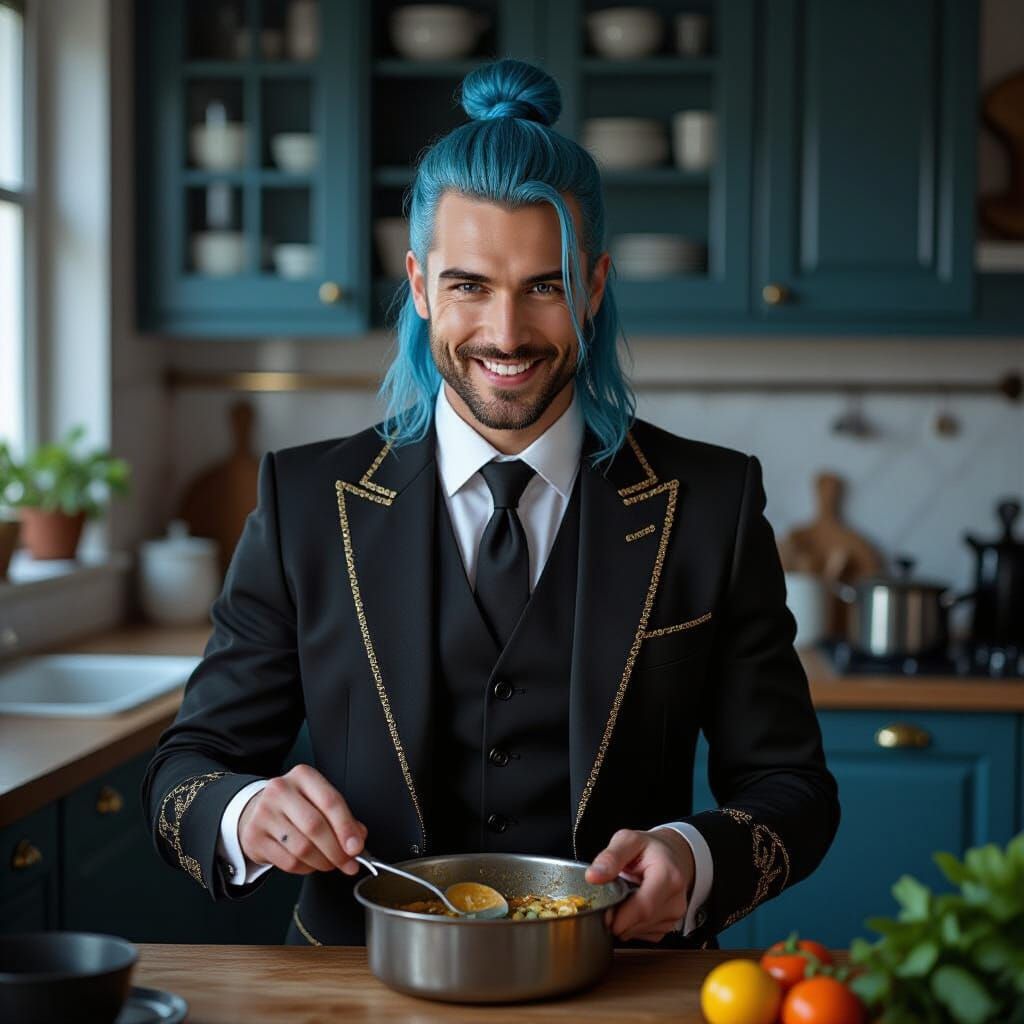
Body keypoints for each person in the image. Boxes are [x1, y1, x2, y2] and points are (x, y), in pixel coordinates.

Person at [142, 58, 839, 949]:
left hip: (620, 975)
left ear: (593, 287)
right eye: (469, 285)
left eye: (545, 286)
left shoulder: (711, 503)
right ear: (419, 285)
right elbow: (186, 772)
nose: (506, 335)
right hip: (356, 980)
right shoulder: (304, 501)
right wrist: (247, 813)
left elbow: (793, 789)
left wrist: (693, 855)